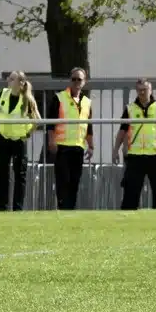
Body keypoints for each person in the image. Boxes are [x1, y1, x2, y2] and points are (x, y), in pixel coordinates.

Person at [113, 78, 156, 210]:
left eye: (145, 89)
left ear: (151, 90)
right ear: (136, 91)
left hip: (154, 154)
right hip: (135, 156)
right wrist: (115, 150)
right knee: (131, 192)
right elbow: (122, 131)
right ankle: (127, 220)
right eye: (139, 90)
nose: (142, 92)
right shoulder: (130, 109)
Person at [0, 70, 40, 212]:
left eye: (12, 79)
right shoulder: (3, 93)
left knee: (20, 175)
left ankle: (17, 208)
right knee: (3, 173)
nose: (8, 80)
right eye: (9, 78)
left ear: (20, 83)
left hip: (19, 140)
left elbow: (37, 120)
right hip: (3, 138)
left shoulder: (27, 99)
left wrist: (28, 133)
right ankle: (3, 207)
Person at [49, 67, 93, 210]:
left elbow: (89, 126)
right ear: (70, 80)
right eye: (73, 79)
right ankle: (63, 208)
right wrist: (51, 140)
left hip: (78, 146)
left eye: (79, 79)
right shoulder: (59, 98)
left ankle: (71, 208)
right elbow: (51, 123)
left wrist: (91, 145)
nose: (75, 82)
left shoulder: (87, 102)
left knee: (74, 181)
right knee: (63, 181)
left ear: (84, 82)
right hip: (62, 146)